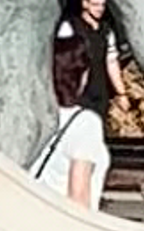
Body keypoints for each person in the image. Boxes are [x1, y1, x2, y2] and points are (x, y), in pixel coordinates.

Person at [32, 29, 113, 212]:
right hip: (61, 227)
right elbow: (78, 195)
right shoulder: (85, 123)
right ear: (82, 75)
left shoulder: (33, 116)